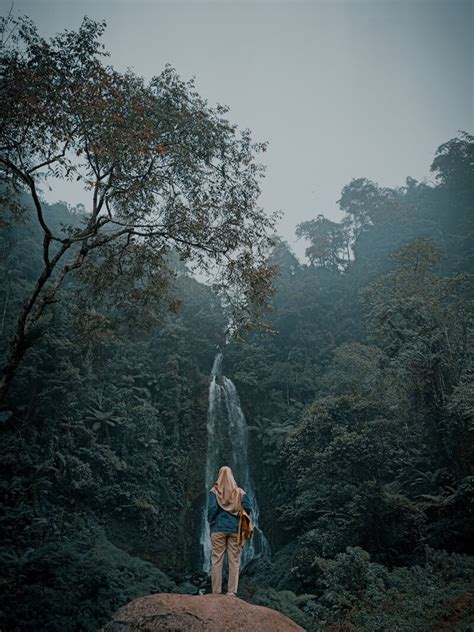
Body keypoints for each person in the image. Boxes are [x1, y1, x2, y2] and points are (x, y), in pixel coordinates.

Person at [207, 465, 252, 596]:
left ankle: (216, 592)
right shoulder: (240, 492)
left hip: (218, 529)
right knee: (234, 561)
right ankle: (231, 592)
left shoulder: (214, 492)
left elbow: (211, 510)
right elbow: (248, 507)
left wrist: (212, 521)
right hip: (235, 530)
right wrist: (238, 514)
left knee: (216, 560)